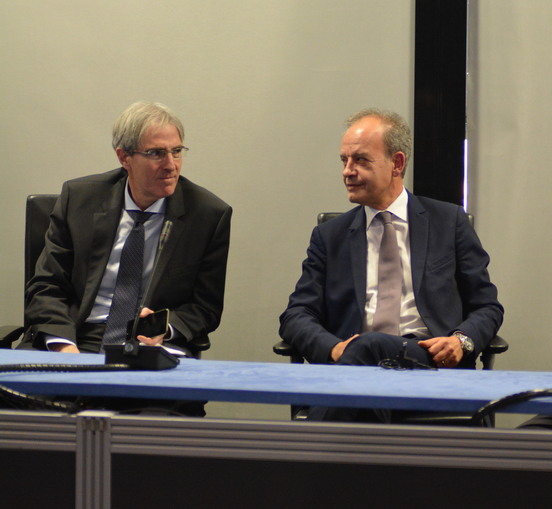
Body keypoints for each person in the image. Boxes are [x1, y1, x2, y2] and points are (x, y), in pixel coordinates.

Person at [279, 108, 503, 420]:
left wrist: (461, 341)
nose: (347, 171)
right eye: (344, 160)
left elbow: (487, 307)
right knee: (366, 357)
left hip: (429, 366)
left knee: (368, 347)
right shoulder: (330, 237)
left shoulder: (448, 223)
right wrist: (335, 348)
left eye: (360, 160)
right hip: (354, 366)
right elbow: (296, 316)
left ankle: (308, 447)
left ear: (397, 163)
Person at [20, 101, 232, 358]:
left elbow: (205, 307)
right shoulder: (78, 200)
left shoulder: (207, 215)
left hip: (148, 345)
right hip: (77, 335)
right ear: (124, 157)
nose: (171, 165)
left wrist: (163, 328)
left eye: (176, 151)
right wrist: (64, 346)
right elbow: (46, 286)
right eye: (156, 153)